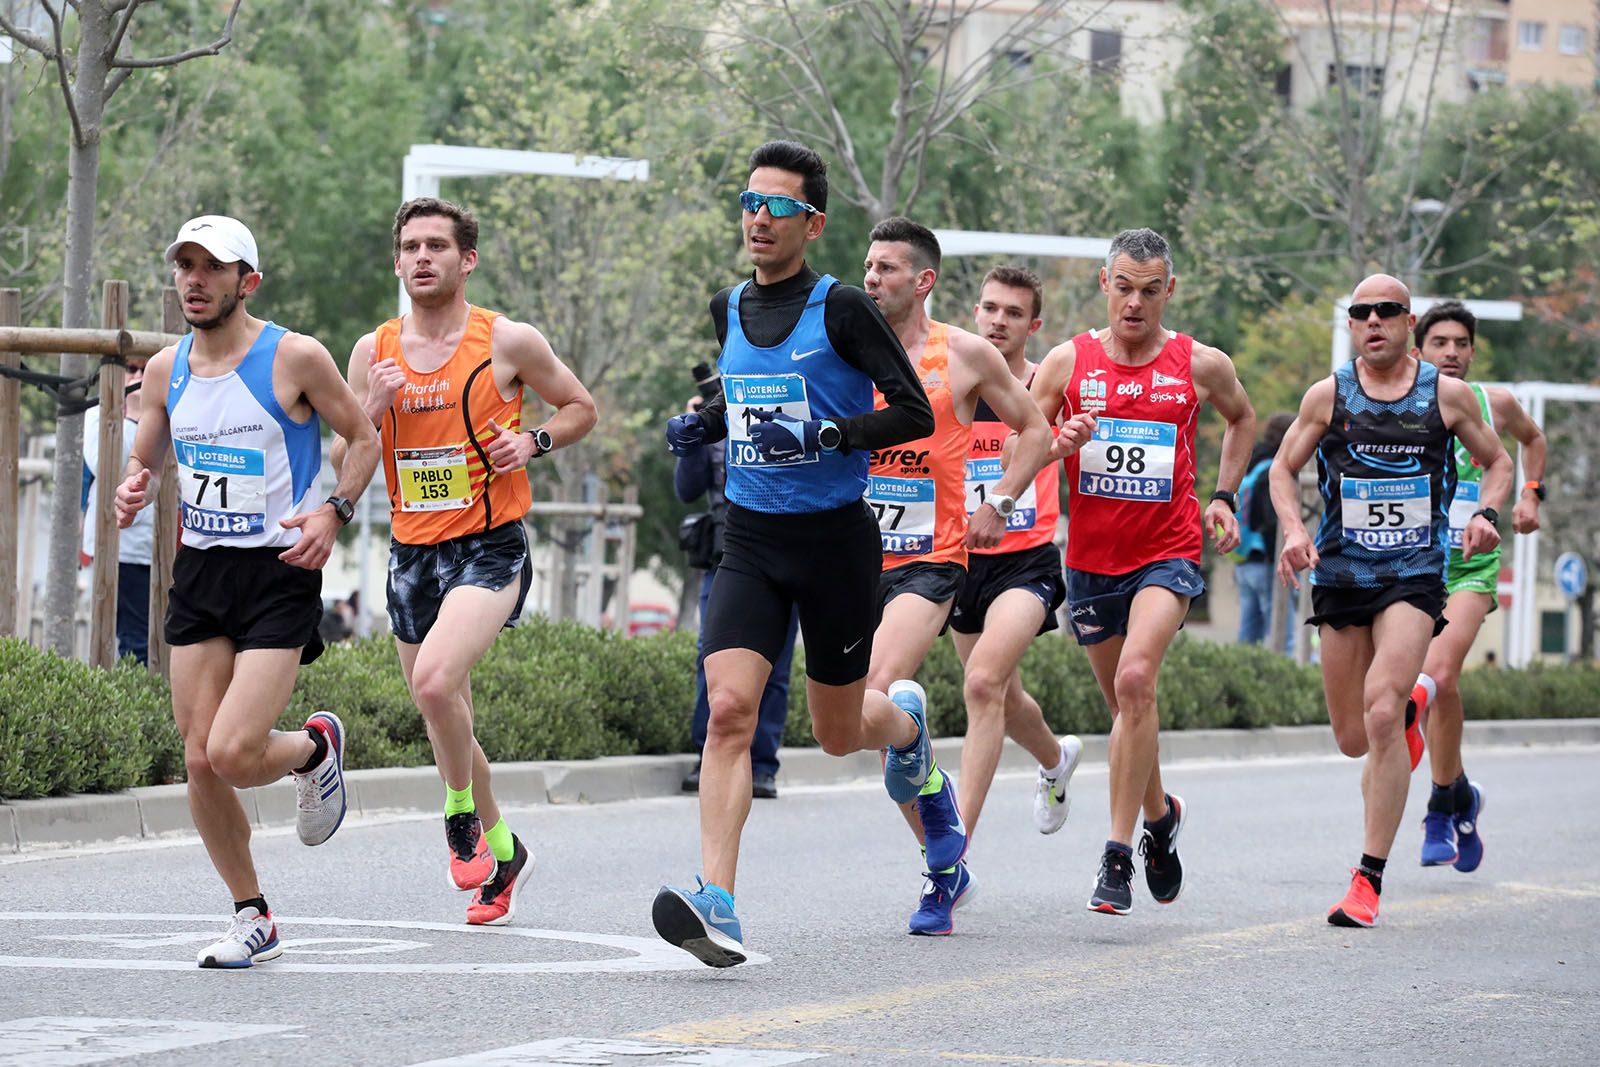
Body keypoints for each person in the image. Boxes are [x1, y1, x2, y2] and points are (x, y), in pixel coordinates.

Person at [654, 140, 936, 967]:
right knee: (731, 711)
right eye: (749, 202)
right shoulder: (726, 306)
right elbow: (741, 401)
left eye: (776, 207)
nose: (757, 218)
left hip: (834, 542)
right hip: (749, 536)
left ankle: (906, 725)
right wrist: (701, 423)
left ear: (811, 223)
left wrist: (838, 431)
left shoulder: (843, 309)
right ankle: (719, 901)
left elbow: (913, 412)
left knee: (842, 731)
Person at [115, 215, 380, 967]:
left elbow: (362, 438)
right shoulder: (166, 369)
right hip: (200, 572)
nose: (194, 279)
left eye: (212, 267)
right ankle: (252, 914)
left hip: (278, 569)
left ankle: (313, 748)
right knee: (199, 759)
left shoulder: (294, 357)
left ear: (247, 280)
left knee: (233, 752)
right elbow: (147, 455)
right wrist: (136, 486)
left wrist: (336, 511)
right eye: (184, 265)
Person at [333, 197, 596, 926]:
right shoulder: (372, 351)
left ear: (465, 259)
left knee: (437, 679)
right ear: (397, 261)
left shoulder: (507, 341)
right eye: (410, 246)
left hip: (489, 545)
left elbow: (580, 407)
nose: (422, 257)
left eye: (437, 246)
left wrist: (536, 442)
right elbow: (345, 455)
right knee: (444, 711)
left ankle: (458, 814)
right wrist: (373, 410)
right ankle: (505, 850)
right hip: (412, 550)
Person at [1269, 275, 1510, 928]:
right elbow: (1281, 470)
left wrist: (1488, 511)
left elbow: (1499, 461)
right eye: (1360, 312)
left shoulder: (1446, 396)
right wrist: (1293, 529)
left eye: (1386, 311)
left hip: (1413, 574)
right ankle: (1408, 715)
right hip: (1343, 575)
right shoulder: (1329, 395)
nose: (1372, 320)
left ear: (1408, 322)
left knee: (1381, 713)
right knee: (1354, 736)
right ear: (1352, 323)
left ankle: (1367, 878)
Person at [1030, 227, 1256, 916]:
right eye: (1123, 287)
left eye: (1150, 290)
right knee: (1129, 708)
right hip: (1094, 561)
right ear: (1105, 284)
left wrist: (1222, 495)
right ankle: (1161, 819)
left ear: (1169, 290)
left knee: (1136, 681)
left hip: (1170, 550)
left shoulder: (1198, 362)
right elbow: (1023, 441)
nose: (1135, 303)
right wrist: (1055, 442)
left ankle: (1116, 855)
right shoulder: (1068, 362)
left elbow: (1242, 419)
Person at [859, 232, 1060, 937]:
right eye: (867, 265)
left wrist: (999, 501)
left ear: (923, 280)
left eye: (885, 266)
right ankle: (942, 849)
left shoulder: (965, 355)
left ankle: (945, 849)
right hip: (853, 559)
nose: (871, 275)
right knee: (854, 725)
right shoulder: (841, 343)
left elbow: (1035, 430)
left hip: (932, 559)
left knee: (882, 687)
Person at [1409, 300, 1545, 873]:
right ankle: (1460, 793)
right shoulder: (1400, 405)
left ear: (1472, 350)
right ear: (1418, 350)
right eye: (1439, 342)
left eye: (1461, 343)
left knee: (1437, 676)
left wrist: (1530, 493)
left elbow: (1531, 442)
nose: (1451, 353)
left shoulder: (1495, 403)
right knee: (1445, 687)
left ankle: (1440, 807)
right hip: (1410, 564)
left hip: (1471, 565)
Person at [955, 266, 1085, 854]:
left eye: (1013, 312)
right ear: (975, 313)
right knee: (1003, 698)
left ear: (1033, 324)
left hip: (1024, 563)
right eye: (990, 309)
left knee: (983, 683)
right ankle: (1056, 760)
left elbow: (1055, 444)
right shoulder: (953, 381)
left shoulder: (1046, 386)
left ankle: (950, 850)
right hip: (959, 562)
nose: (999, 320)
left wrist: (1062, 445)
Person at [675, 391, 798, 800]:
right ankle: (707, 755)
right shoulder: (714, 422)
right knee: (709, 660)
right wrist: (695, 432)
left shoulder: (788, 407)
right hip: (726, 556)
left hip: (787, 548)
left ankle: (762, 764)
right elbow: (686, 489)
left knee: (775, 663)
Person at [83, 358, 153, 664]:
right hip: (120, 547)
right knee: (131, 639)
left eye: (144, 371)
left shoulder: (165, 415)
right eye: (131, 370)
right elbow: (107, 466)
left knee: (151, 635)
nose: (136, 377)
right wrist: (134, 415)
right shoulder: (96, 416)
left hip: (155, 549)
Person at [1233, 412, 1297, 651]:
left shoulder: (1251, 464)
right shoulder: (1274, 470)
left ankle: (1242, 685)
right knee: (1283, 636)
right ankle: (1281, 686)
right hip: (1269, 561)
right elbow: (1272, 520)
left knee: (1248, 636)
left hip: (1244, 560)